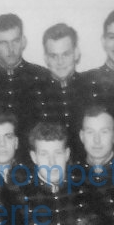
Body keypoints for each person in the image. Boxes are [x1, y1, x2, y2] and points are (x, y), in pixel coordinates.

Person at [0, 13, 50, 142]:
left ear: (23, 41)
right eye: (3, 43)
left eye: (15, 41)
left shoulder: (43, 77)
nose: (11, 49)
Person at [40, 23, 89, 154]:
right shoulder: (33, 94)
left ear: (76, 53)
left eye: (66, 54)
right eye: (53, 56)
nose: (60, 62)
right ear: (46, 58)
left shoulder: (92, 89)